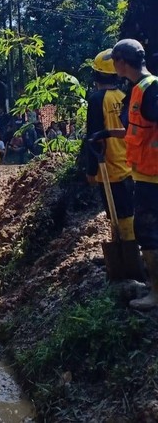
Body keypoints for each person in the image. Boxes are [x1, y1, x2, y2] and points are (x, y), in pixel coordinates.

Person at [94, 39, 158, 309]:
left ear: (121, 62)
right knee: (148, 232)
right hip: (143, 173)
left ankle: (156, 293)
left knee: (148, 233)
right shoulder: (138, 89)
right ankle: (154, 285)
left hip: (152, 175)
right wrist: (108, 133)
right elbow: (137, 131)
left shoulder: (149, 89)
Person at [86, 49, 137, 267]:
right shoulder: (124, 96)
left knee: (118, 213)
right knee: (127, 211)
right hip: (129, 165)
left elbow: (94, 137)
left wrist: (90, 170)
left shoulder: (97, 100)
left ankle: (128, 259)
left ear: (96, 75)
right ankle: (127, 249)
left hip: (109, 167)